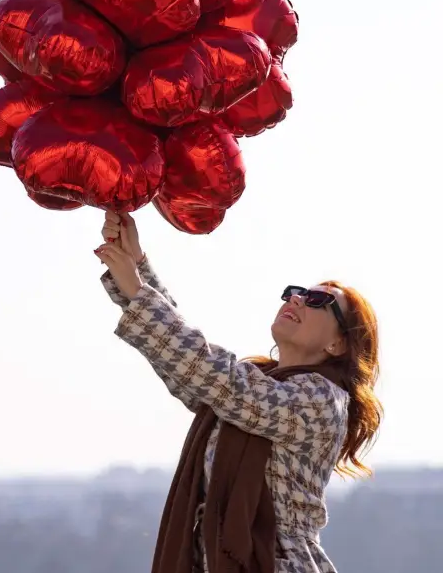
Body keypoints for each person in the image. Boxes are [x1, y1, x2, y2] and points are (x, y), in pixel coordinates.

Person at [94, 211, 382, 573]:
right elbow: (189, 365)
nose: (295, 300)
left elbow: (218, 378)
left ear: (339, 344)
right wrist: (137, 264)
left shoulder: (323, 401)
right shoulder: (256, 383)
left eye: (316, 301)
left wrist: (137, 290)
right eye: (295, 293)